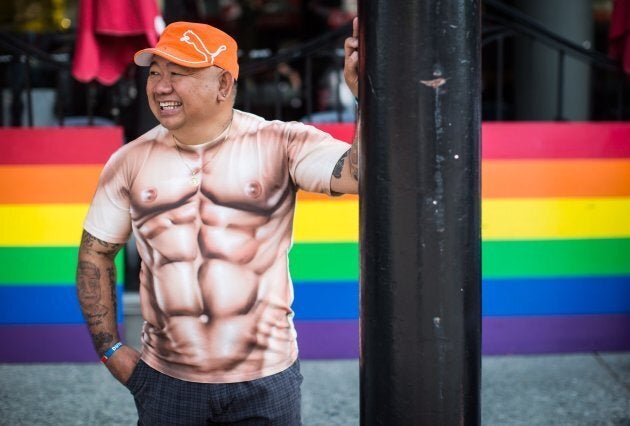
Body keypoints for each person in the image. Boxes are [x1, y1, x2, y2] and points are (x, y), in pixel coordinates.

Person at [76, 17, 360, 425]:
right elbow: (96, 253)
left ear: (224, 84)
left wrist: (366, 95)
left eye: (178, 74)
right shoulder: (129, 161)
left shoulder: (280, 143)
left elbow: (359, 174)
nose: (160, 87)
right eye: (155, 73)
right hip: (166, 382)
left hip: (265, 380)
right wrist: (110, 351)